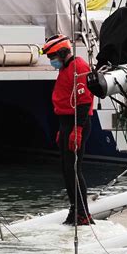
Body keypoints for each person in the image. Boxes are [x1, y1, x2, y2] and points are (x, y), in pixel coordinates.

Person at [40, 34, 95, 226]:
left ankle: (83, 214)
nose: (51, 61)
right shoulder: (65, 69)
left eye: (52, 57)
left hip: (77, 122)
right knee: (66, 169)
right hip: (66, 123)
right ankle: (75, 209)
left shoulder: (78, 67)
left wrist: (77, 130)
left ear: (62, 53)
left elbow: (84, 101)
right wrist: (62, 129)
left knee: (74, 169)